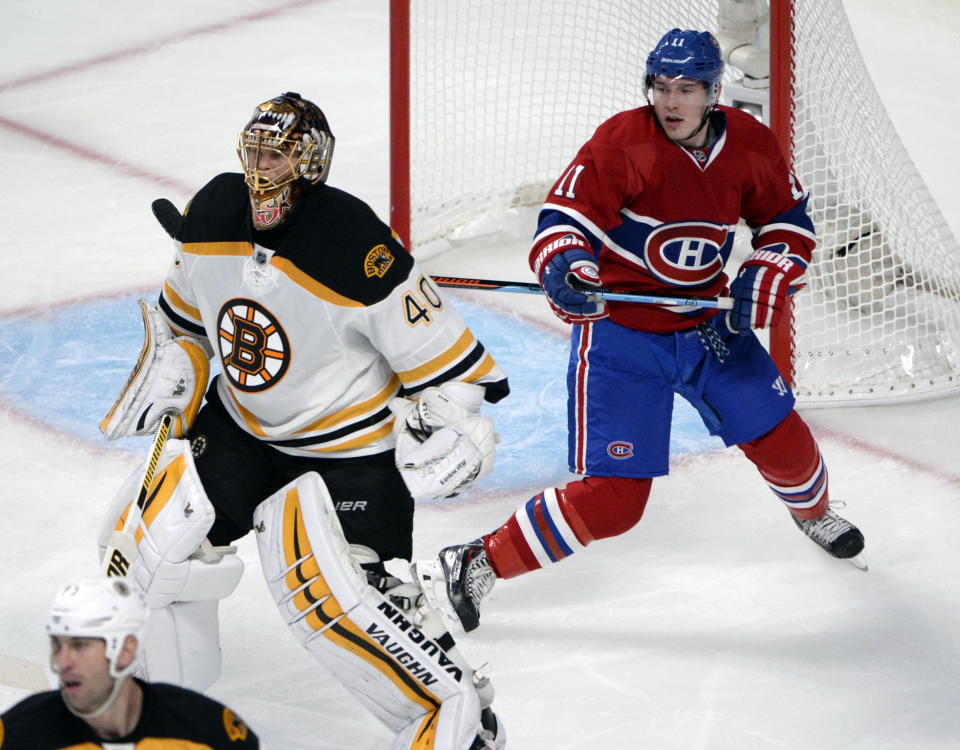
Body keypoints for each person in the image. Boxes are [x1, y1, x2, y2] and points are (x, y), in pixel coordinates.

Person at [415, 29, 866, 634]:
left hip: (708, 323)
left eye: (685, 89)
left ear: (714, 92)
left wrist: (767, 268)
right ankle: (478, 561)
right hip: (623, 338)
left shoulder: (750, 145)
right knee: (614, 502)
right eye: (661, 87)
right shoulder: (623, 142)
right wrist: (567, 265)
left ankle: (813, 515)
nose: (671, 102)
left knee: (784, 442)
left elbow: (787, 221)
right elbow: (562, 221)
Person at [96, 92, 506, 748]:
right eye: (254, 150)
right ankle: (172, 719)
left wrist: (460, 423)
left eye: (277, 154)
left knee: (332, 601)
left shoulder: (353, 239)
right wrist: (180, 367)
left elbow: (445, 359)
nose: (260, 167)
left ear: (309, 162)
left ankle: (457, 716)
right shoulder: (212, 213)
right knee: (145, 545)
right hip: (239, 431)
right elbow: (185, 326)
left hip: (344, 455)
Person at [0, 577, 259, 749]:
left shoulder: (204, 729)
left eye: (80, 645)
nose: (63, 662)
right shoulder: (18, 734)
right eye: (58, 644)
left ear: (125, 651)